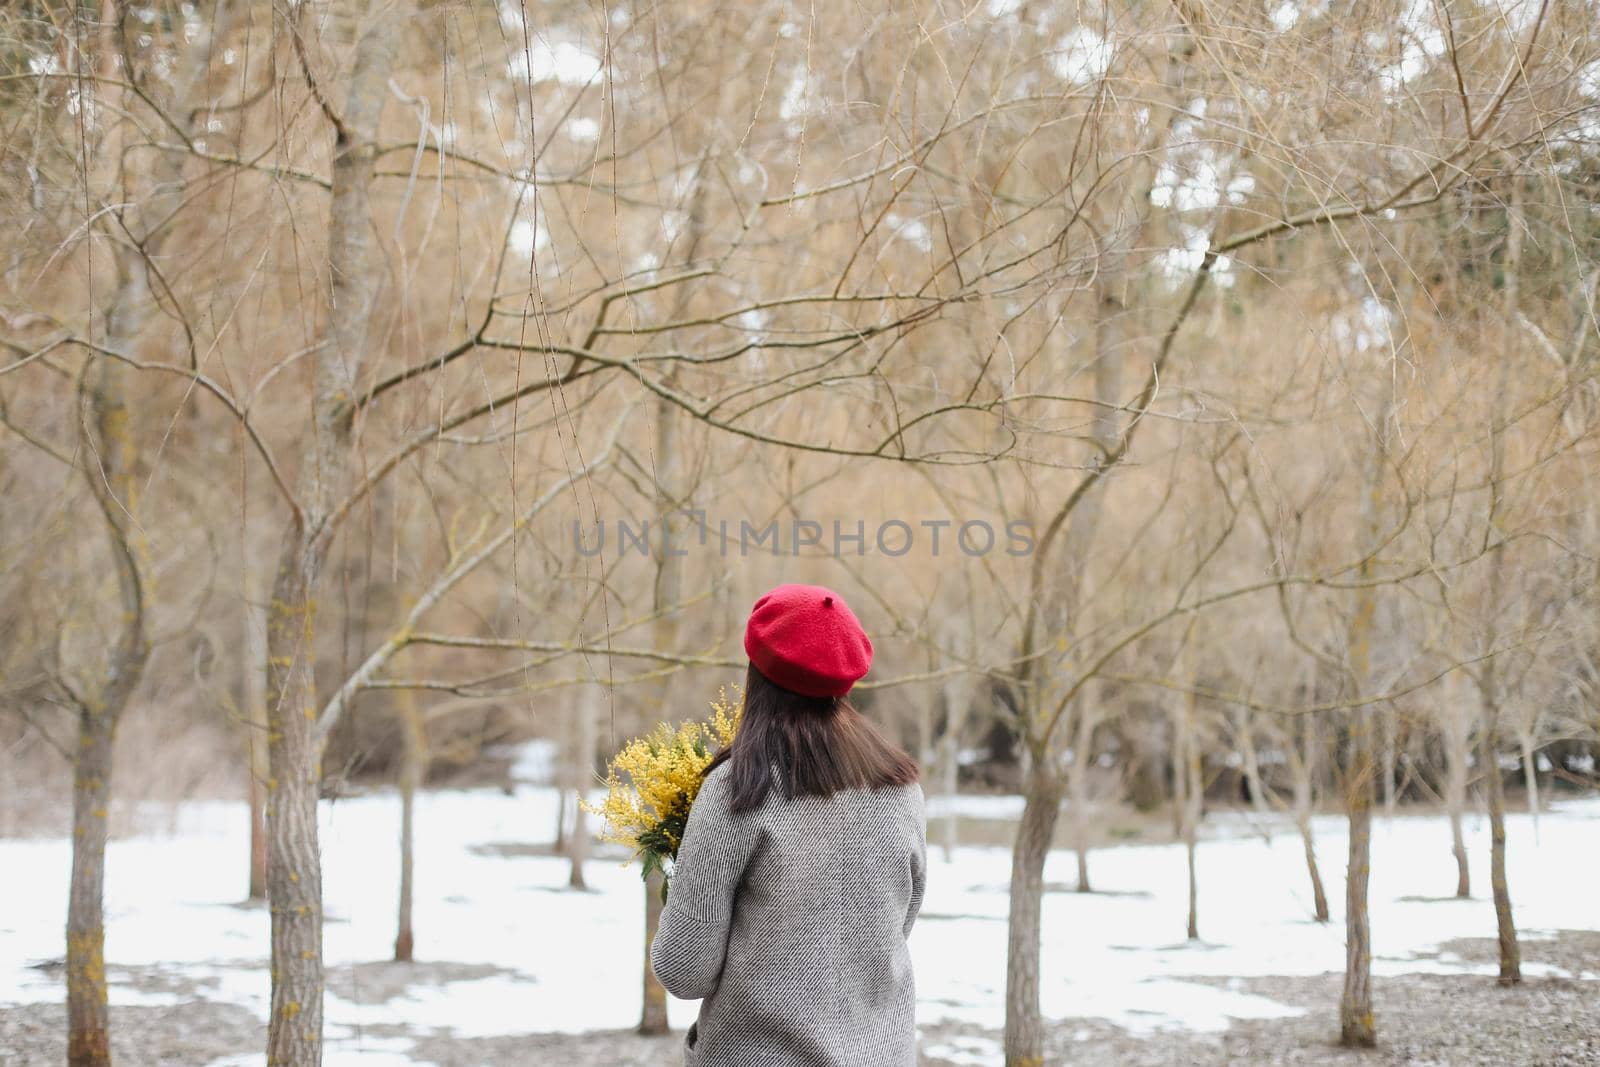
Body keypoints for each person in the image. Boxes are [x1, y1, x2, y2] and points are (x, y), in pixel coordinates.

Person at [650, 583, 927, 1066]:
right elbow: (895, 927)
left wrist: (685, 875)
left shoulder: (739, 789)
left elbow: (684, 970)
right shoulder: (900, 786)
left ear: (757, 671)